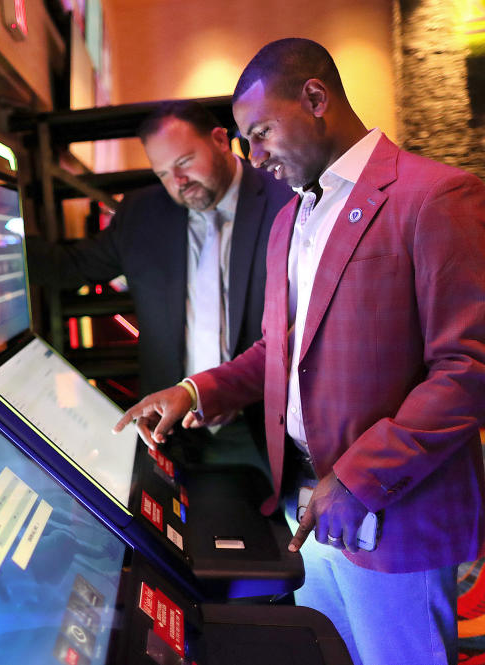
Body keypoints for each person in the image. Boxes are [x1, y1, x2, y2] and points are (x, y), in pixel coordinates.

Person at [114, 38, 485, 665]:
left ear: (317, 98)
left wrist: (356, 478)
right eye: (247, 139)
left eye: (263, 131)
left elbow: (473, 368)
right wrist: (195, 391)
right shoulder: (289, 218)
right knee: (331, 653)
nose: (255, 155)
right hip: (304, 500)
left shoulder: (437, 196)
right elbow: (281, 348)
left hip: (389, 503)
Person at [28, 101, 292, 464]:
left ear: (220, 140)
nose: (178, 183)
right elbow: (68, 267)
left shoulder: (286, 198)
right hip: (174, 436)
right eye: (164, 173)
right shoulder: (141, 213)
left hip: (271, 428)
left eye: (184, 163)